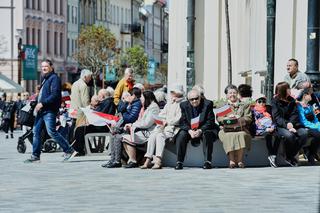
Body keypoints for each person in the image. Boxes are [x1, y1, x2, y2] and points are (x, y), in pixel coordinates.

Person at [24, 59, 77, 163]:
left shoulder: (54, 79)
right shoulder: (44, 78)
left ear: (51, 67)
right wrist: (36, 102)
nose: (43, 68)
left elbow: (55, 95)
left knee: (51, 132)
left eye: (46, 66)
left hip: (49, 110)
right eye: (42, 66)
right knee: (36, 132)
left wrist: (42, 103)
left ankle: (69, 150)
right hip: (41, 111)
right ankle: (35, 156)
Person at [141, 84, 184, 169]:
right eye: (171, 92)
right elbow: (161, 114)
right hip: (164, 127)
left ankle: (158, 160)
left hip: (173, 128)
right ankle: (148, 159)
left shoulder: (182, 104)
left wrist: (167, 121)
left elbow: (178, 118)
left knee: (160, 136)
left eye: (173, 92)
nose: (171, 94)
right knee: (153, 135)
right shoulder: (169, 103)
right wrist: (162, 120)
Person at [175, 89, 218, 170]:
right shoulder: (183, 105)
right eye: (192, 99)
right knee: (181, 135)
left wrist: (200, 130)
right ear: (188, 100)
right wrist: (190, 131)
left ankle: (207, 162)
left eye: (196, 98)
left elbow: (210, 121)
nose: (194, 101)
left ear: (200, 97)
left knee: (207, 134)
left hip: (204, 128)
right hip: (190, 129)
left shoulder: (207, 104)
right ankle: (179, 162)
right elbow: (183, 122)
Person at [102, 87, 142, 168]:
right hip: (127, 126)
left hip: (132, 128)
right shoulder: (131, 103)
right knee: (113, 134)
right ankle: (113, 159)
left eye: (129, 95)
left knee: (117, 136)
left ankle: (117, 161)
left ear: (133, 96)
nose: (128, 97)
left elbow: (131, 118)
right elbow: (120, 109)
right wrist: (124, 102)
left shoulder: (137, 104)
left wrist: (124, 111)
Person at [272, 81, 308, 167]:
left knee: (304, 134)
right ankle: (289, 157)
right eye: (288, 88)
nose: (290, 90)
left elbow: (294, 114)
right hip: (280, 126)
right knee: (290, 136)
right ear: (283, 90)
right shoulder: (275, 101)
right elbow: (277, 117)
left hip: (294, 124)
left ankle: (289, 156)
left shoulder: (291, 100)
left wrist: (291, 123)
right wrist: (287, 124)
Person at [121, 90, 160, 168]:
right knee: (124, 137)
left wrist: (133, 125)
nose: (141, 99)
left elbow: (147, 123)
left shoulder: (154, 107)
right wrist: (132, 125)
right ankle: (132, 160)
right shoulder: (149, 107)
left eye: (142, 98)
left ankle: (133, 160)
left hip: (149, 132)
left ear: (147, 98)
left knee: (127, 138)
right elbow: (141, 121)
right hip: (144, 130)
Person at [218, 85, 252, 169]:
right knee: (228, 136)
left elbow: (248, 117)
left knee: (241, 135)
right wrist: (227, 119)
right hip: (226, 129)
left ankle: (240, 160)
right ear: (226, 95)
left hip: (241, 128)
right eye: (230, 93)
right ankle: (232, 160)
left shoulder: (245, 105)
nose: (232, 95)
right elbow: (219, 118)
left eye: (234, 93)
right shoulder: (223, 105)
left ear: (237, 94)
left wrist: (238, 119)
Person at [253, 95, 278, 167]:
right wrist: (266, 129)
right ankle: (271, 155)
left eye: (263, 101)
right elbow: (256, 124)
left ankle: (273, 155)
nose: (262, 103)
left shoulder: (268, 109)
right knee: (268, 135)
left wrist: (272, 127)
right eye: (259, 101)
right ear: (256, 102)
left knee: (279, 136)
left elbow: (273, 120)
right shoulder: (254, 111)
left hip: (271, 128)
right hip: (260, 130)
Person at [296, 88, 320, 165]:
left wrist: (318, 125)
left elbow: (315, 119)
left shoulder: (310, 106)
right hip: (303, 127)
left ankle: (311, 152)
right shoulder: (299, 106)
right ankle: (311, 153)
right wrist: (315, 126)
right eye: (310, 95)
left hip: (313, 126)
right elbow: (303, 121)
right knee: (317, 134)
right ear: (305, 95)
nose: (311, 96)